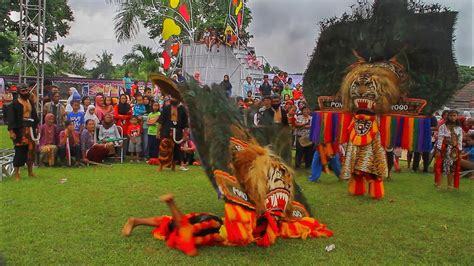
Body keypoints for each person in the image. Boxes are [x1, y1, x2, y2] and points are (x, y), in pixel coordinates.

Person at [7, 84, 39, 180]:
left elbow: (34, 115)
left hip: (30, 129)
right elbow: (11, 119)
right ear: (19, 92)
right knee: (20, 151)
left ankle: (30, 172)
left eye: (26, 91)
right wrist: (11, 131)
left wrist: (36, 126)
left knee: (31, 151)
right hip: (20, 130)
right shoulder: (14, 104)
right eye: (23, 91)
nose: (25, 92)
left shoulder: (30, 102)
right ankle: (17, 174)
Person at [157, 97, 189, 171]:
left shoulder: (183, 109)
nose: (174, 99)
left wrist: (185, 135)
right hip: (166, 130)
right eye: (173, 98)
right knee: (164, 148)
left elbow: (186, 125)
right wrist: (158, 132)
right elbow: (161, 121)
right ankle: (161, 166)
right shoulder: (166, 108)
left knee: (176, 149)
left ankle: (173, 167)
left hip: (178, 131)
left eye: (176, 98)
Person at [434, 110, 463, 189]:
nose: (453, 117)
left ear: (457, 117)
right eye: (451, 115)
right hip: (444, 148)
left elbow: (460, 140)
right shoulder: (443, 127)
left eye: (454, 115)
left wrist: (460, 151)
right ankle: (439, 184)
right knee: (441, 166)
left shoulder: (459, 128)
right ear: (448, 117)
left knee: (451, 167)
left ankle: (449, 185)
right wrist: (438, 149)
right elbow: (440, 138)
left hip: (454, 149)